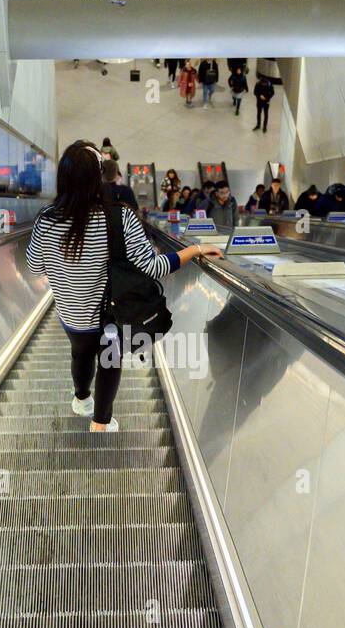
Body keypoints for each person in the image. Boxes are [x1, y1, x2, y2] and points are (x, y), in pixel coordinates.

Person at [27, 140, 222, 432]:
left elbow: (35, 267)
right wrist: (193, 250)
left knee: (80, 354)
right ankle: (100, 424)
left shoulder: (46, 220)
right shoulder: (119, 216)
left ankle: (81, 399)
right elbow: (154, 267)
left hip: (72, 315)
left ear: (63, 177)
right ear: (99, 176)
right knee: (109, 360)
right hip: (111, 315)